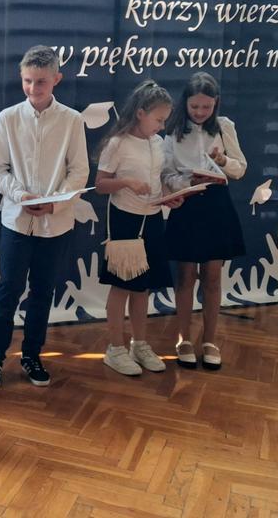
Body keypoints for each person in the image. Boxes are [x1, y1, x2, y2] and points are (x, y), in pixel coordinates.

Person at [0, 45, 89, 390]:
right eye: (27, 80)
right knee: (8, 290)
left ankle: (32, 355)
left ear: (56, 79)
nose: (33, 88)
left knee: (42, 291)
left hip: (56, 224)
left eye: (40, 81)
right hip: (16, 220)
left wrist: (54, 203)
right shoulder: (8, 118)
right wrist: (19, 195)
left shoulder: (72, 120)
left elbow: (79, 171)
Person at [94, 80, 181, 376]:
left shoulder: (157, 143)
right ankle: (115, 348)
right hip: (125, 219)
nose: (162, 126)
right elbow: (100, 184)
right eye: (158, 119)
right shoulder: (117, 143)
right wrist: (127, 182)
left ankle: (139, 344)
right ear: (141, 113)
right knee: (122, 286)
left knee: (143, 287)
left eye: (165, 120)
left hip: (153, 217)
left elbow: (158, 179)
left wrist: (169, 197)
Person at [162, 72, 247, 371]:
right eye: (195, 106)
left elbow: (240, 169)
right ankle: (184, 339)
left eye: (206, 107)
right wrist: (187, 181)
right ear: (185, 102)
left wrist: (222, 161)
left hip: (216, 205)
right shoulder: (173, 130)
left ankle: (210, 341)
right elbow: (166, 174)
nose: (200, 112)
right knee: (185, 276)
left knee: (212, 276)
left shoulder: (224, 127)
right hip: (187, 204)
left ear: (216, 104)